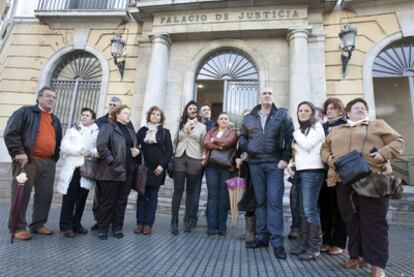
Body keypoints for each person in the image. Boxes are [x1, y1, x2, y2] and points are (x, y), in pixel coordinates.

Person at [321, 97, 404, 277]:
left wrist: (383, 153)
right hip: (343, 180)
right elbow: (325, 148)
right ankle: (357, 255)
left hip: (373, 179)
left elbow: (398, 141)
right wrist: (328, 158)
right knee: (351, 220)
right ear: (347, 112)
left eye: (363, 107)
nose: (360, 109)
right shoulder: (336, 130)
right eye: (356, 108)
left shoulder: (377, 124)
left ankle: (377, 264)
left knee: (374, 222)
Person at [239, 87, 294, 259]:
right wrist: (250, 149)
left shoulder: (282, 114)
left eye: (270, 93)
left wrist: (285, 158)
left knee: (274, 201)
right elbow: (242, 138)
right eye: (265, 93)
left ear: (273, 96)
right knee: (260, 201)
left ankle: (277, 242)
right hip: (255, 163)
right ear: (260, 97)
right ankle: (262, 237)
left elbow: (290, 137)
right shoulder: (249, 118)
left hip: (274, 163)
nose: (267, 95)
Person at [4, 86, 62, 240]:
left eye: (54, 97)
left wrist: (53, 158)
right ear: (39, 97)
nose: (51, 99)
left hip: (48, 163)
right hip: (27, 160)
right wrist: (18, 152)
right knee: (21, 195)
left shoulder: (55, 120)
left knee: (45, 195)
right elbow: (10, 133)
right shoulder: (24, 112)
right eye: (48, 96)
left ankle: (38, 224)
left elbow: (58, 141)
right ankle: (18, 227)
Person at [95, 105, 140, 240]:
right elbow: (101, 146)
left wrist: (138, 151)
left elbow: (135, 147)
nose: (128, 115)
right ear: (117, 114)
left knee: (121, 201)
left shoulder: (131, 130)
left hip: (128, 170)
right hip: (111, 170)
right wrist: (112, 162)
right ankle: (103, 228)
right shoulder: (108, 127)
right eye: (126, 113)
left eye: (129, 113)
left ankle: (117, 227)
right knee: (107, 201)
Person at [288, 101, 326, 261]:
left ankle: (314, 247)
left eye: (306, 110)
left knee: (310, 209)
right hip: (301, 172)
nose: (302, 113)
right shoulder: (302, 130)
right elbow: (297, 153)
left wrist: (294, 133)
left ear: (312, 113)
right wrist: (291, 165)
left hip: (313, 172)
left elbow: (308, 145)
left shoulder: (317, 127)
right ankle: (304, 243)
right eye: (300, 110)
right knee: (303, 210)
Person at [56, 108, 99, 238]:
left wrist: (92, 152)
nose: (84, 117)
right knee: (69, 198)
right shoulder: (72, 130)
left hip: (86, 169)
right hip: (73, 168)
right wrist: (80, 151)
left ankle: (76, 224)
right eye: (83, 115)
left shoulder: (96, 132)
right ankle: (66, 226)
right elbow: (64, 147)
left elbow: (100, 148)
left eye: (87, 115)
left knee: (82, 199)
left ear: (93, 119)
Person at [135, 106, 173, 235]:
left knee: (153, 197)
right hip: (144, 168)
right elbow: (135, 146)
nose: (155, 116)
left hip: (157, 169)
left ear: (161, 118)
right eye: (153, 114)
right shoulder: (142, 131)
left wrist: (162, 165)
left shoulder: (165, 132)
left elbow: (169, 151)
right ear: (149, 116)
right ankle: (139, 222)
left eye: (158, 114)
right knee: (141, 196)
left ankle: (148, 224)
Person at [171, 101, 206, 235]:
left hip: (194, 159)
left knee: (191, 192)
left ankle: (187, 221)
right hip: (180, 158)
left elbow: (204, 144)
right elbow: (175, 140)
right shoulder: (180, 124)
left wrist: (203, 159)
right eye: (190, 108)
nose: (192, 110)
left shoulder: (202, 126)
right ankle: (174, 222)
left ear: (197, 112)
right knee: (178, 190)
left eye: (194, 109)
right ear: (186, 111)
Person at [318, 97, 348, 256]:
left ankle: (339, 242)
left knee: (339, 209)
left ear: (341, 110)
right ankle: (326, 240)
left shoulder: (347, 125)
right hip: (322, 172)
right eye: (328, 108)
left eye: (333, 108)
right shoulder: (321, 127)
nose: (330, 111)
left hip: (339, 172)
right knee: (325, 208)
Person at [90, 96, 124, 231]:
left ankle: (110, 221)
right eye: (110, 104)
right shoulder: (100, 121)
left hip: (117, 165)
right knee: (100, 195)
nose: (111, 107)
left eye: (114, 105)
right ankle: (99, 220)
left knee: (114, 196)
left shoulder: (124, 123)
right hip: (101, 163)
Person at [203, 112, 238, 236]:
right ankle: (211, 226)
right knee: (212, 195)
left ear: (228, 122)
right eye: (221, 118)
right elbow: (205, 143)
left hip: (226, 167)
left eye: (226, 119)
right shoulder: (211, 131)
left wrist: (215, 142)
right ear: (217, 121)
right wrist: (218, 145)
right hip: (211, 167)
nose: (223, 120)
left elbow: (229, 143)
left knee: (223, 196)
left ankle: (221, 226)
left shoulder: (233, 132)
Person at [235, 108, 257, 248]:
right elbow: (239, 151)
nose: (247, 119)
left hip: (258, 168)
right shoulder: (242, 134)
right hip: (246, 171)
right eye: (245, 117)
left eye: (249, 116)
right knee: (248, 198)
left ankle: (258, 231)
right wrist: (237, 158)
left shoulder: (257, 132)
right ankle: (250, 231)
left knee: (257, 198)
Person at [190, 104, 214, 227]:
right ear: (199, 113)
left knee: (212, 191)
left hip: (211, 162)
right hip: (197, 159)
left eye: (208, 110)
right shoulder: (195, 125)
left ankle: (210, 219)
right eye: (203, 110)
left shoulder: (215, 126)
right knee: (195, 190)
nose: (206, 111)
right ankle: (192, 218)